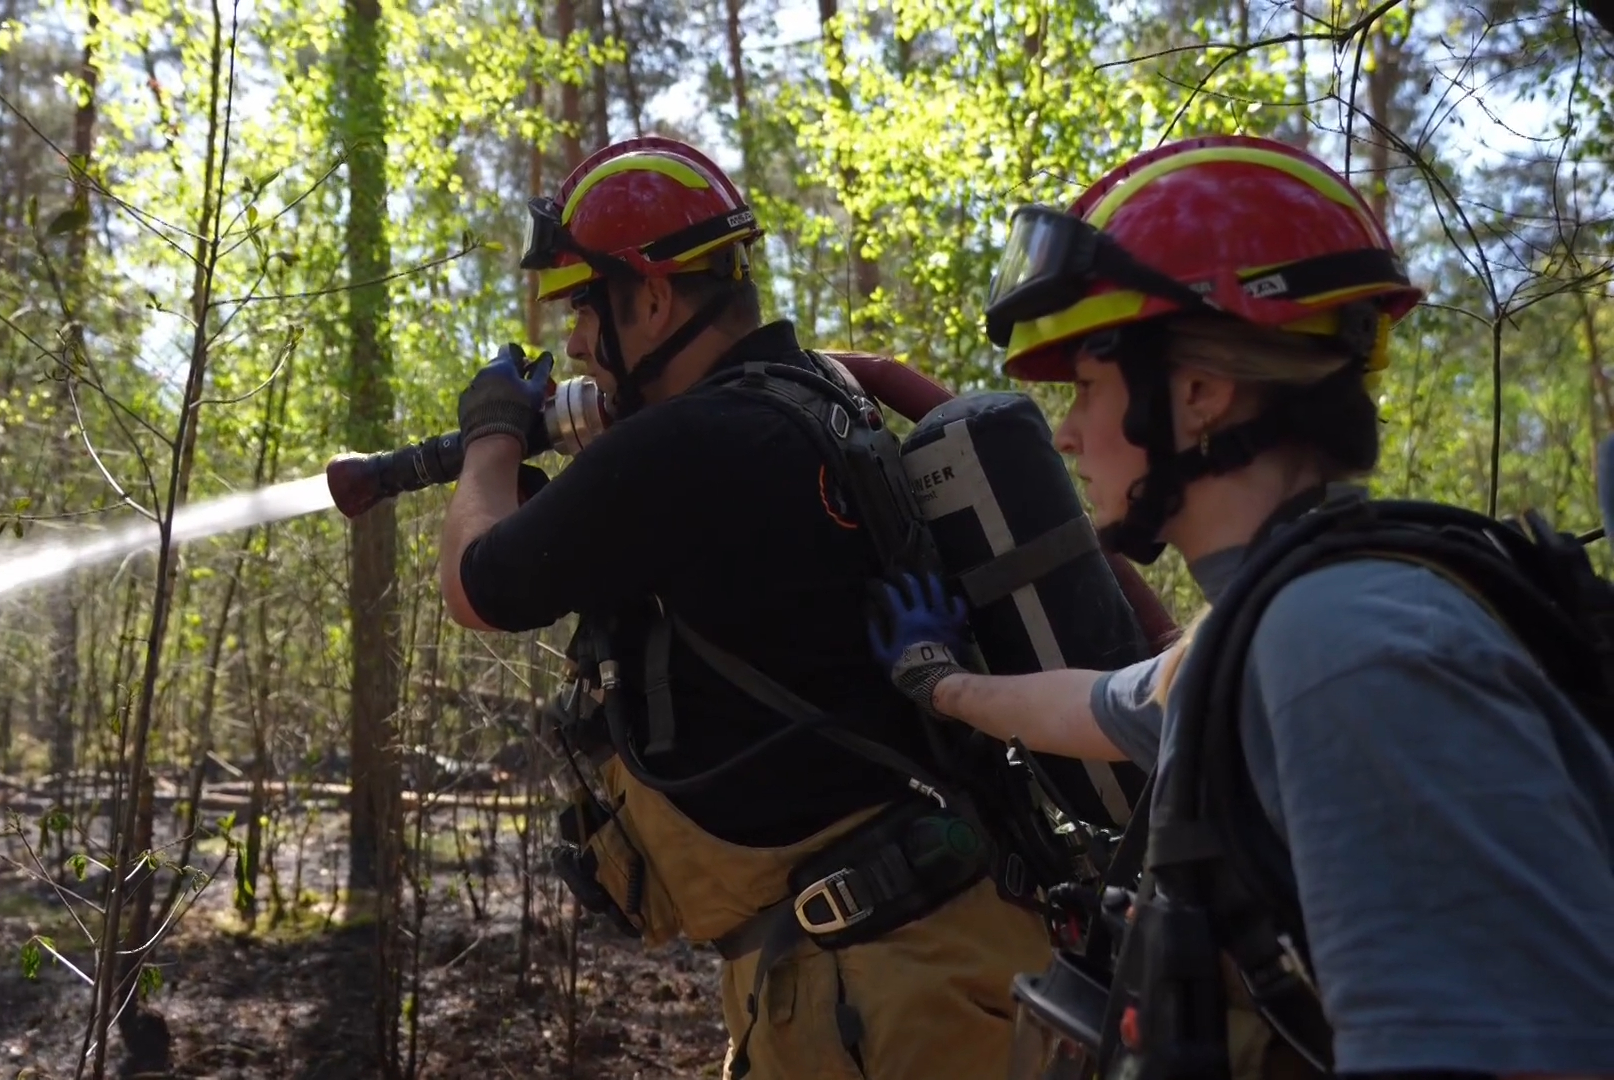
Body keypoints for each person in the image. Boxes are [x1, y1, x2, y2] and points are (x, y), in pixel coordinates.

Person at [867, 134, 1614, 1078]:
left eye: (1088, 385)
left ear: (1198, 392)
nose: (1066, 430)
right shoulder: (1265, 628)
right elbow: (1093, 704)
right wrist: (939, 683)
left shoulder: (1342, 651)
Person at [437, 135, 1055, 1080]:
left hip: (882, 1004)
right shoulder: (818, 398)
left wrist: (489, 437)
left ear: (649, 297)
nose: (572, 342)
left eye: (581, 307)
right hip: (909, 966)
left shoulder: (689, 446)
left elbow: (478, 587)